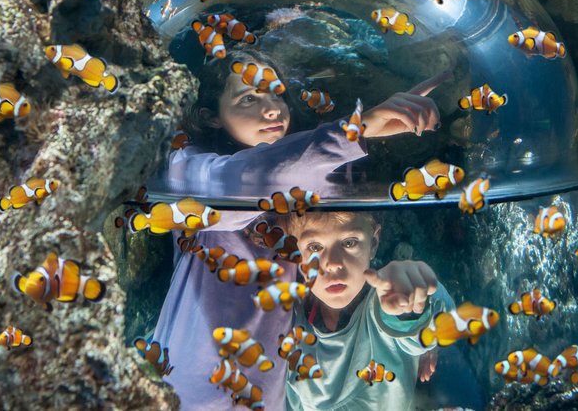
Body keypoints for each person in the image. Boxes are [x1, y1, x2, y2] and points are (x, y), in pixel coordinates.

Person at [149, 48, 449, 410]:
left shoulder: (304, 186)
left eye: (277, 93)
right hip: (187, 396)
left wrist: (417, 328)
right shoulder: (186, 165)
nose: (273, 108)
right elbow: (244, 179)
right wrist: (357, 129)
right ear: (210, 117)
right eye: (249, 98)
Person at [277, 211, 454, 411]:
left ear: (374, 243)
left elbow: (435, 313)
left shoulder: (384, 304)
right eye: (315, 247)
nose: (333, 263)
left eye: (349, 243)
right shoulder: (286, 319)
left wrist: (413, 308)